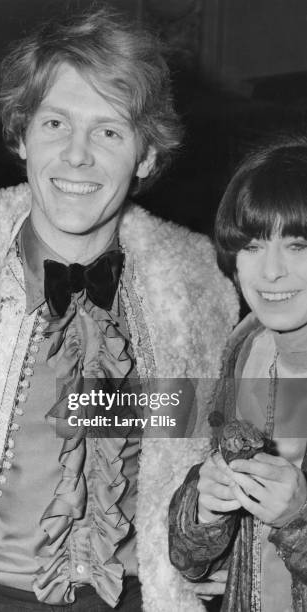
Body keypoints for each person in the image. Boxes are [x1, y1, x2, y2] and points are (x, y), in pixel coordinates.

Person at [0, 9, 237, 612]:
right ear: (21, 135)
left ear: (146, 155)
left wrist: (217, 550)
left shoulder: (203, 295)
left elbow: (211, 443)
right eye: (56, 122)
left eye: (109, 131)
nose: (77, 155)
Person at [168, 135, 307, 611]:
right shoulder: (245, 349)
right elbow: (192, 559)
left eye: (298, 245)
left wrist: (299, 519)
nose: (271, 272)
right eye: (251, 246)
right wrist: (205, 508)